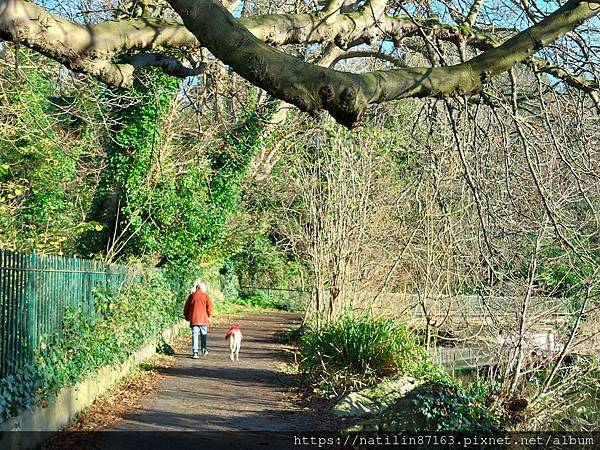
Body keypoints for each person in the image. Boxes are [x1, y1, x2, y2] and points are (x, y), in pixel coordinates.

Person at [183, 281, 213, 358]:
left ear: (197, 288)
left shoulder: (191, 296)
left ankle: (195, 353)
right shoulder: (206, 296)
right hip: (203, 319)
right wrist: (209, 315)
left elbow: (186, 308)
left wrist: (186, 316)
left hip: (194, 319)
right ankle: (204, 350)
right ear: (202, 288)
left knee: (195, 335)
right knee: (203, 335)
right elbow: (209, 307)